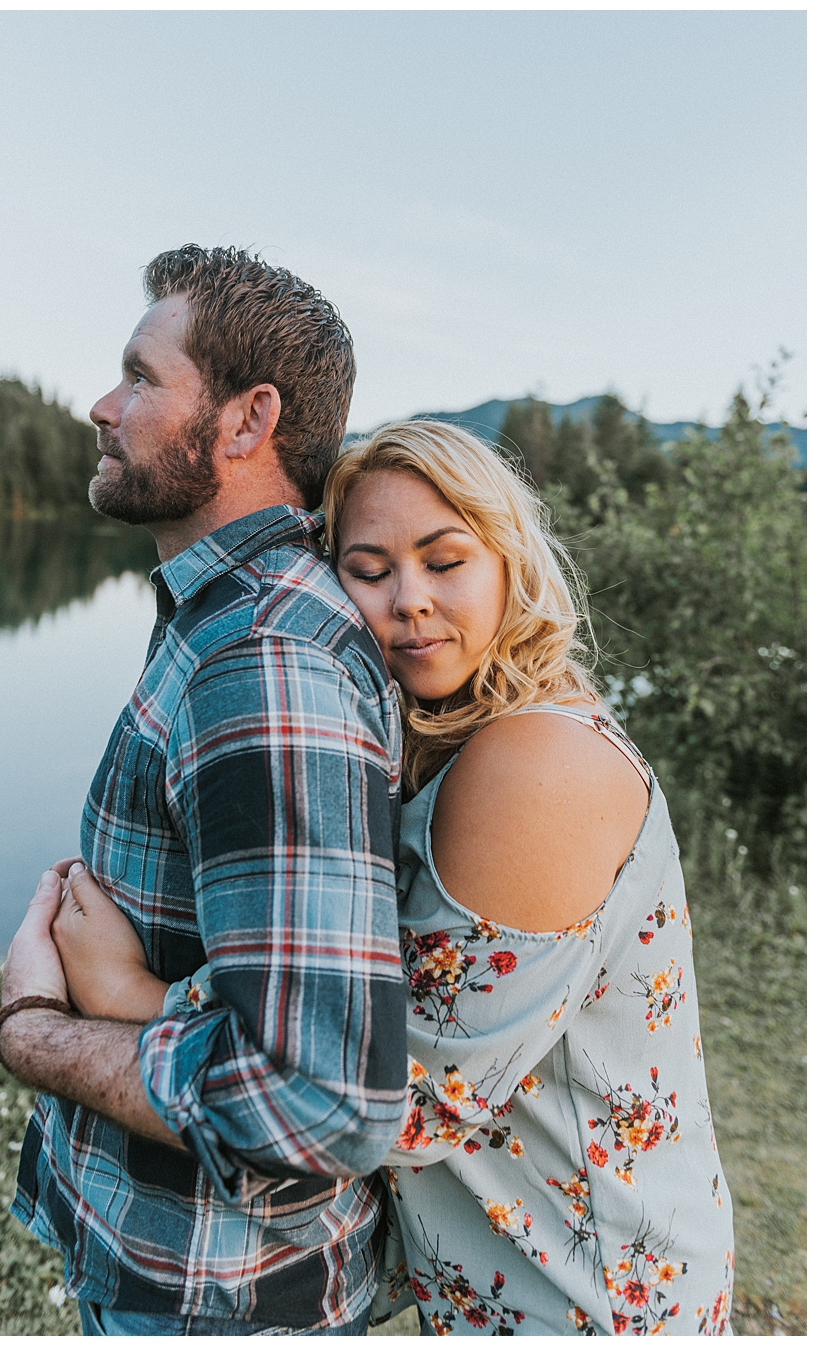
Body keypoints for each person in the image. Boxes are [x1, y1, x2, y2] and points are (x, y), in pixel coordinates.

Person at [61, 419, 736, 1335]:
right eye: (369, 572)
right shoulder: (459, 735)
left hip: (586, 1288)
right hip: (509, 1273)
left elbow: (382, 1102)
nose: (409, 599)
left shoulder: (536, 764)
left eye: (444, 560)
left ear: (509, 561)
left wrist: (127, 992)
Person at [0, 245, 408, 1334]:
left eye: (139, 375)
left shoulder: (264, 664)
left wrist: (33, 1028)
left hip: (218, 1298)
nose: (101, 404)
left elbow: (320, 1102)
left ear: (243, 420)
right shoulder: (222, 617)